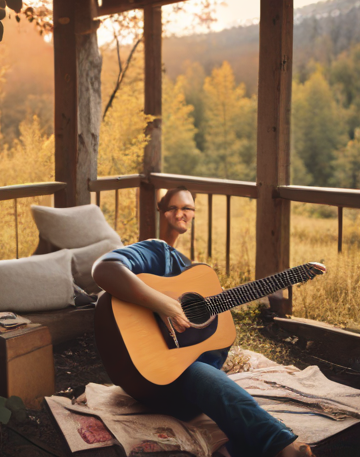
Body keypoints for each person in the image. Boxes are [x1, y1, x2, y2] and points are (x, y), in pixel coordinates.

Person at [92, 186, 314, 457]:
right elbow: (104, 269)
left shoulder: (194, 273)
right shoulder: (157, 252)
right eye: (173, 208)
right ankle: (280, 445)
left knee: (206, 377)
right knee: (201, 375)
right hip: (150, 379)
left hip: (188, 388)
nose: (180, 214)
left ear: (194, 214)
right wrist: (165, 306)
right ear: (162, 212)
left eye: (187, 208)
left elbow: (207, 352)